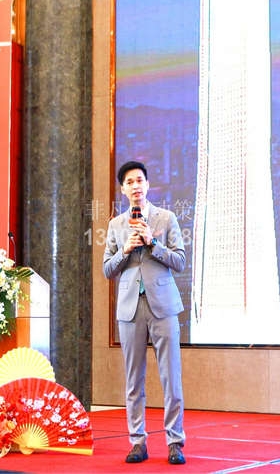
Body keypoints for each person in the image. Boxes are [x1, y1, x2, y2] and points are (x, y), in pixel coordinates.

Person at [102, 160, 187, 465]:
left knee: (171, 377)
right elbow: (107, 269)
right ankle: (137, 441)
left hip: (163, 305)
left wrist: (153, 243)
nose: (135, 186)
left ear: (148, 185)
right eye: (129, 182)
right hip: (130, 308)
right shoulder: (115, 225)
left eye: (140, 180)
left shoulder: (166, 218)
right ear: (123, 190)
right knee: (133, 379)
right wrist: (125, 250)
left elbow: (180, 261)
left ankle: (175, 442)